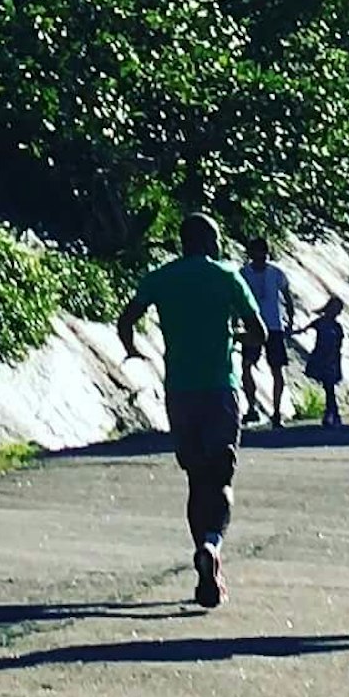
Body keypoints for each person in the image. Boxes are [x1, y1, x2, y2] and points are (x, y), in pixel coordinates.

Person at [118, 214, 270, 608]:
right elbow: (259, 332)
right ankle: (211, 544)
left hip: (180, 391)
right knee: (220, 476)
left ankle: (202, 553)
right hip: (221, 388)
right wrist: (236, 336)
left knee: (195, 479)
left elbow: (126, 319)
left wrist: (133, 349)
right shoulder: (226, 276)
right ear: (209, 241)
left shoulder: (162, 277)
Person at [239, 233, 293, 424]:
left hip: (274, 326)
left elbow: (287, 295)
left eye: (262, 251)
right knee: (246, 365)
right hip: (253, 325)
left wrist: (290, 319)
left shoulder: (276, 273)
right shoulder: (244, 273)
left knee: (277, 369)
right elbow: (237, 298)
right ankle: (251, 407)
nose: (259, 255)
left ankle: (277, 412)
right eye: (255, 251)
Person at [302, 288, 349, 424]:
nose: (336, 312)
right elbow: (305, 329)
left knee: (329, 387)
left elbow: (339, 344)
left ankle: (332, 413)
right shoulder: (321, 322)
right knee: (328, 387)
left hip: (332, 359)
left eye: (339, 310)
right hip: (321, 357)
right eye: (335, 309)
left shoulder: (337, 326)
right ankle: (333, 413)